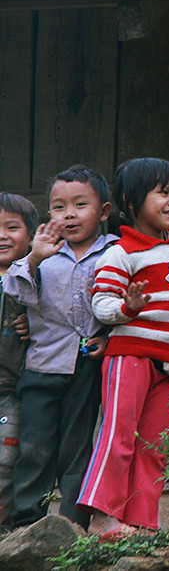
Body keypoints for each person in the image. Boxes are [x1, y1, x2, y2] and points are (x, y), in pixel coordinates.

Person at [78, 158, 169, 538]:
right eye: (163, 193)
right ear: (132, 202)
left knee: (155, 447)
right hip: (129, 358)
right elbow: (100, 303)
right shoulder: (122, 252)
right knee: (119, 437)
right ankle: (102, 516)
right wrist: (127, 308)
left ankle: (142, 521)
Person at [3, 168, 117, 528]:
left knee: (76, 449)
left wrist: (109, 338)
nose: (69, 214)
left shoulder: (114, 253)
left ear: (104, 211)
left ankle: (71, 525)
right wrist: (36, 257)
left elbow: (123, 310)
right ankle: (25, 524)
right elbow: (15, 292)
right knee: (34, 449)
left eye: (80, 205)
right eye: (58, 207)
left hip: (85, 369)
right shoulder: (43, 256)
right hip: (41, 366)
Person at [0, 193, 35, 524]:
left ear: (32, 237)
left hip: (12, 388)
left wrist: (31, 319)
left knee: (6, 460)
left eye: (12, 227)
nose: (1, 235)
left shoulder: (36, 277)